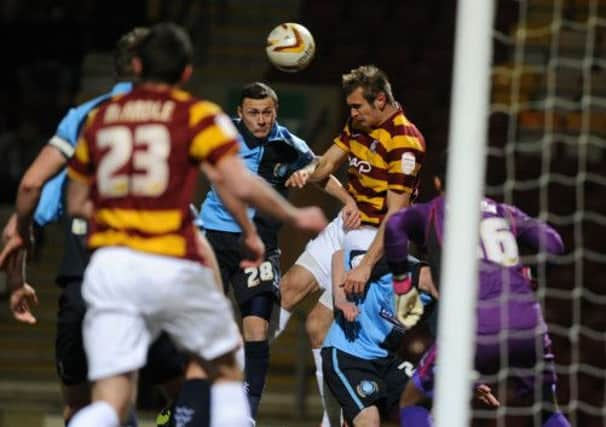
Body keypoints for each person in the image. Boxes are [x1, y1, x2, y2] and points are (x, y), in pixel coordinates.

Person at [65, 22, 326, 427]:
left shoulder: (102, 119)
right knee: (226, 363)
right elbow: (233, 179)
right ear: (186, 72)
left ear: (136, 64)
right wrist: (291, 215)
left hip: (110, 266)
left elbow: (77, 201)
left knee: (111, 400)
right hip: (172, 260)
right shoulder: (198, 116)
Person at [0, 27, 190, 426]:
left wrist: (17, 281)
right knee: (187, 395)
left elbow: (31, 190)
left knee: (83, 408)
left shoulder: (84, 119)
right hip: (147, 284)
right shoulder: (175, 116)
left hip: (82, 289)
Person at [273, 64, 426, 426]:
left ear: (381, 99)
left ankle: (336, 419)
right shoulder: (359, 125)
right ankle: (244, 390)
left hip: (376, 241)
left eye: (358, 106)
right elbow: (323, 168)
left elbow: (396, 215)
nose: (352, 113)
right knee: (287, 291)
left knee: (318, 325)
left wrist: (366, 265)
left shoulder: (405, 142)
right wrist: (336, 193)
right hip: (346, 225)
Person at [197, 81, 359, 420]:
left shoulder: (287, 143)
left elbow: (319, 169)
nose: (260, 120)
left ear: (276, 113)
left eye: (267, 113)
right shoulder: (220, 135)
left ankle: (246, 414)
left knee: (257, 330)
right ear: (239, 113)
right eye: (253, 113)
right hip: (212, 240)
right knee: (202, 327)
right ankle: (189, 405)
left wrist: (347, 200)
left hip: (258, 248)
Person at [383, 154, 570, 427]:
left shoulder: (435, 209)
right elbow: (553, 243)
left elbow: (395, 224)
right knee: (547, 410)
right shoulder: (504, 212)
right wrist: (531, 274)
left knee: (412, 401)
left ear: (437, 182)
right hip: (528, 322)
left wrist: (402, 284)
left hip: (475, 324)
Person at [321, 226, 435, 427]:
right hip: (348, 354)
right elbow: (340, 256)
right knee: (369, 421)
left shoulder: (434, 302)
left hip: (385, 362)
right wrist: (340, 300)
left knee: (430, 406)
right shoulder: (394, 268)